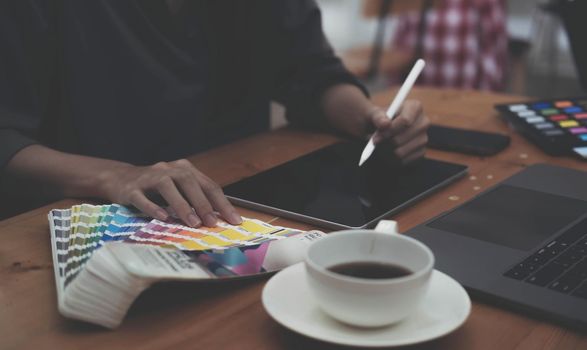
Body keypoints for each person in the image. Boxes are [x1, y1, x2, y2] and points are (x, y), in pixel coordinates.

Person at [0, 0, 429, 227]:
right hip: (84, 225)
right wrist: (116, 175)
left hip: (241, 216)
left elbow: (312, 73)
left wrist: (371, 119)